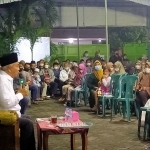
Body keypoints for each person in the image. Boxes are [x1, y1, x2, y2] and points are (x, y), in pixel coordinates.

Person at [0, 53, 36, 150]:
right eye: (17, 66)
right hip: (7, 116)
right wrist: (21, 94)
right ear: (9, 68)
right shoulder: (2, 80)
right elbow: (6, 102)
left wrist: (18, 93)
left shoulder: (6, 78)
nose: (19, 68)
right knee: (28, 124)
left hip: (12, 113)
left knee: (28, 119)